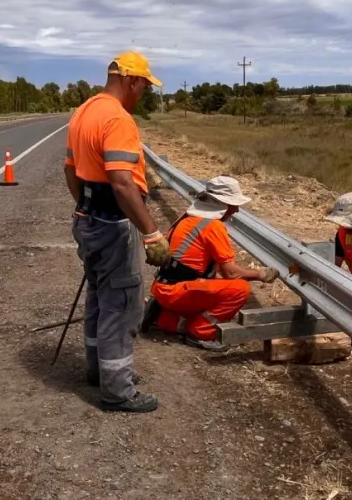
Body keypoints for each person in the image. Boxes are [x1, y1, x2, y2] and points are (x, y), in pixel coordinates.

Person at [64, 51, 172, 413]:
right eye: (144, 85)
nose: (144, 93)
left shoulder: (84, 112)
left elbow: (70, 170)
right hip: (113, 224)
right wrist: (152, 232)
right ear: (132, 81)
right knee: (121, 305)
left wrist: (87, 208)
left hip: (88, 218)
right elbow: (123, 182)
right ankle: (117, 391)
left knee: (99, 296)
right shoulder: (118, 119)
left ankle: (99, 371)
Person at [140, 176, 279, 352]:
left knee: (213, 286)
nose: (236, 210)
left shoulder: (187, 217)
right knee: (239, 289)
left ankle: (164, 317)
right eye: (233, 205)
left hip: (164, 287)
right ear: (221, 204)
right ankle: (200, 333)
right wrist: (261, 274)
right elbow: (231, 273)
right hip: (177, 292)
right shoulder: (214, 226)